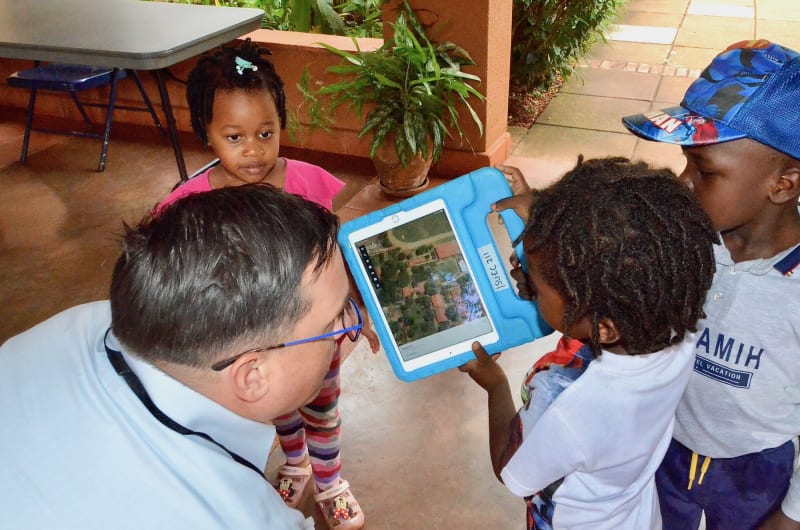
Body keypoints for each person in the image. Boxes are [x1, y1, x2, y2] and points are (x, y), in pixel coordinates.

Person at [0, 184, 360, 529]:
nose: (347, 330)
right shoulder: (240, 518)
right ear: (253, 375)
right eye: (334, 322)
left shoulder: (77, 322)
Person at [157, 39, 376, 529]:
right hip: (248, 341)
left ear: (281, 124)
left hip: (313, 334)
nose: (253, 150)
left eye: (265, 132)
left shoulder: (310, 184)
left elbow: (342, 250)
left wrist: (358, 307)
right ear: (206, 134)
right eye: (234, 137)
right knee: (276, 409)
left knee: (321, 408)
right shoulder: (190, 203)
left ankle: (328, 480)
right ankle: (294, 463)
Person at [460, 157, 718, 529]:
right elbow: (621, 240)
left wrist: (494, 384)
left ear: (604, 328)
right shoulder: (677, 330)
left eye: (538, 284)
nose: (526, 282)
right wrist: (545, 221)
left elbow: (509, 467)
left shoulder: (566, 405)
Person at [621, 39, 800, 530]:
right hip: (666, 446)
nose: (683, 182)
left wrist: (790, 517)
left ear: (783, 184)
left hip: (758, 473)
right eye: (686, 163)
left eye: (705, 172)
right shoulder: (689, 242)